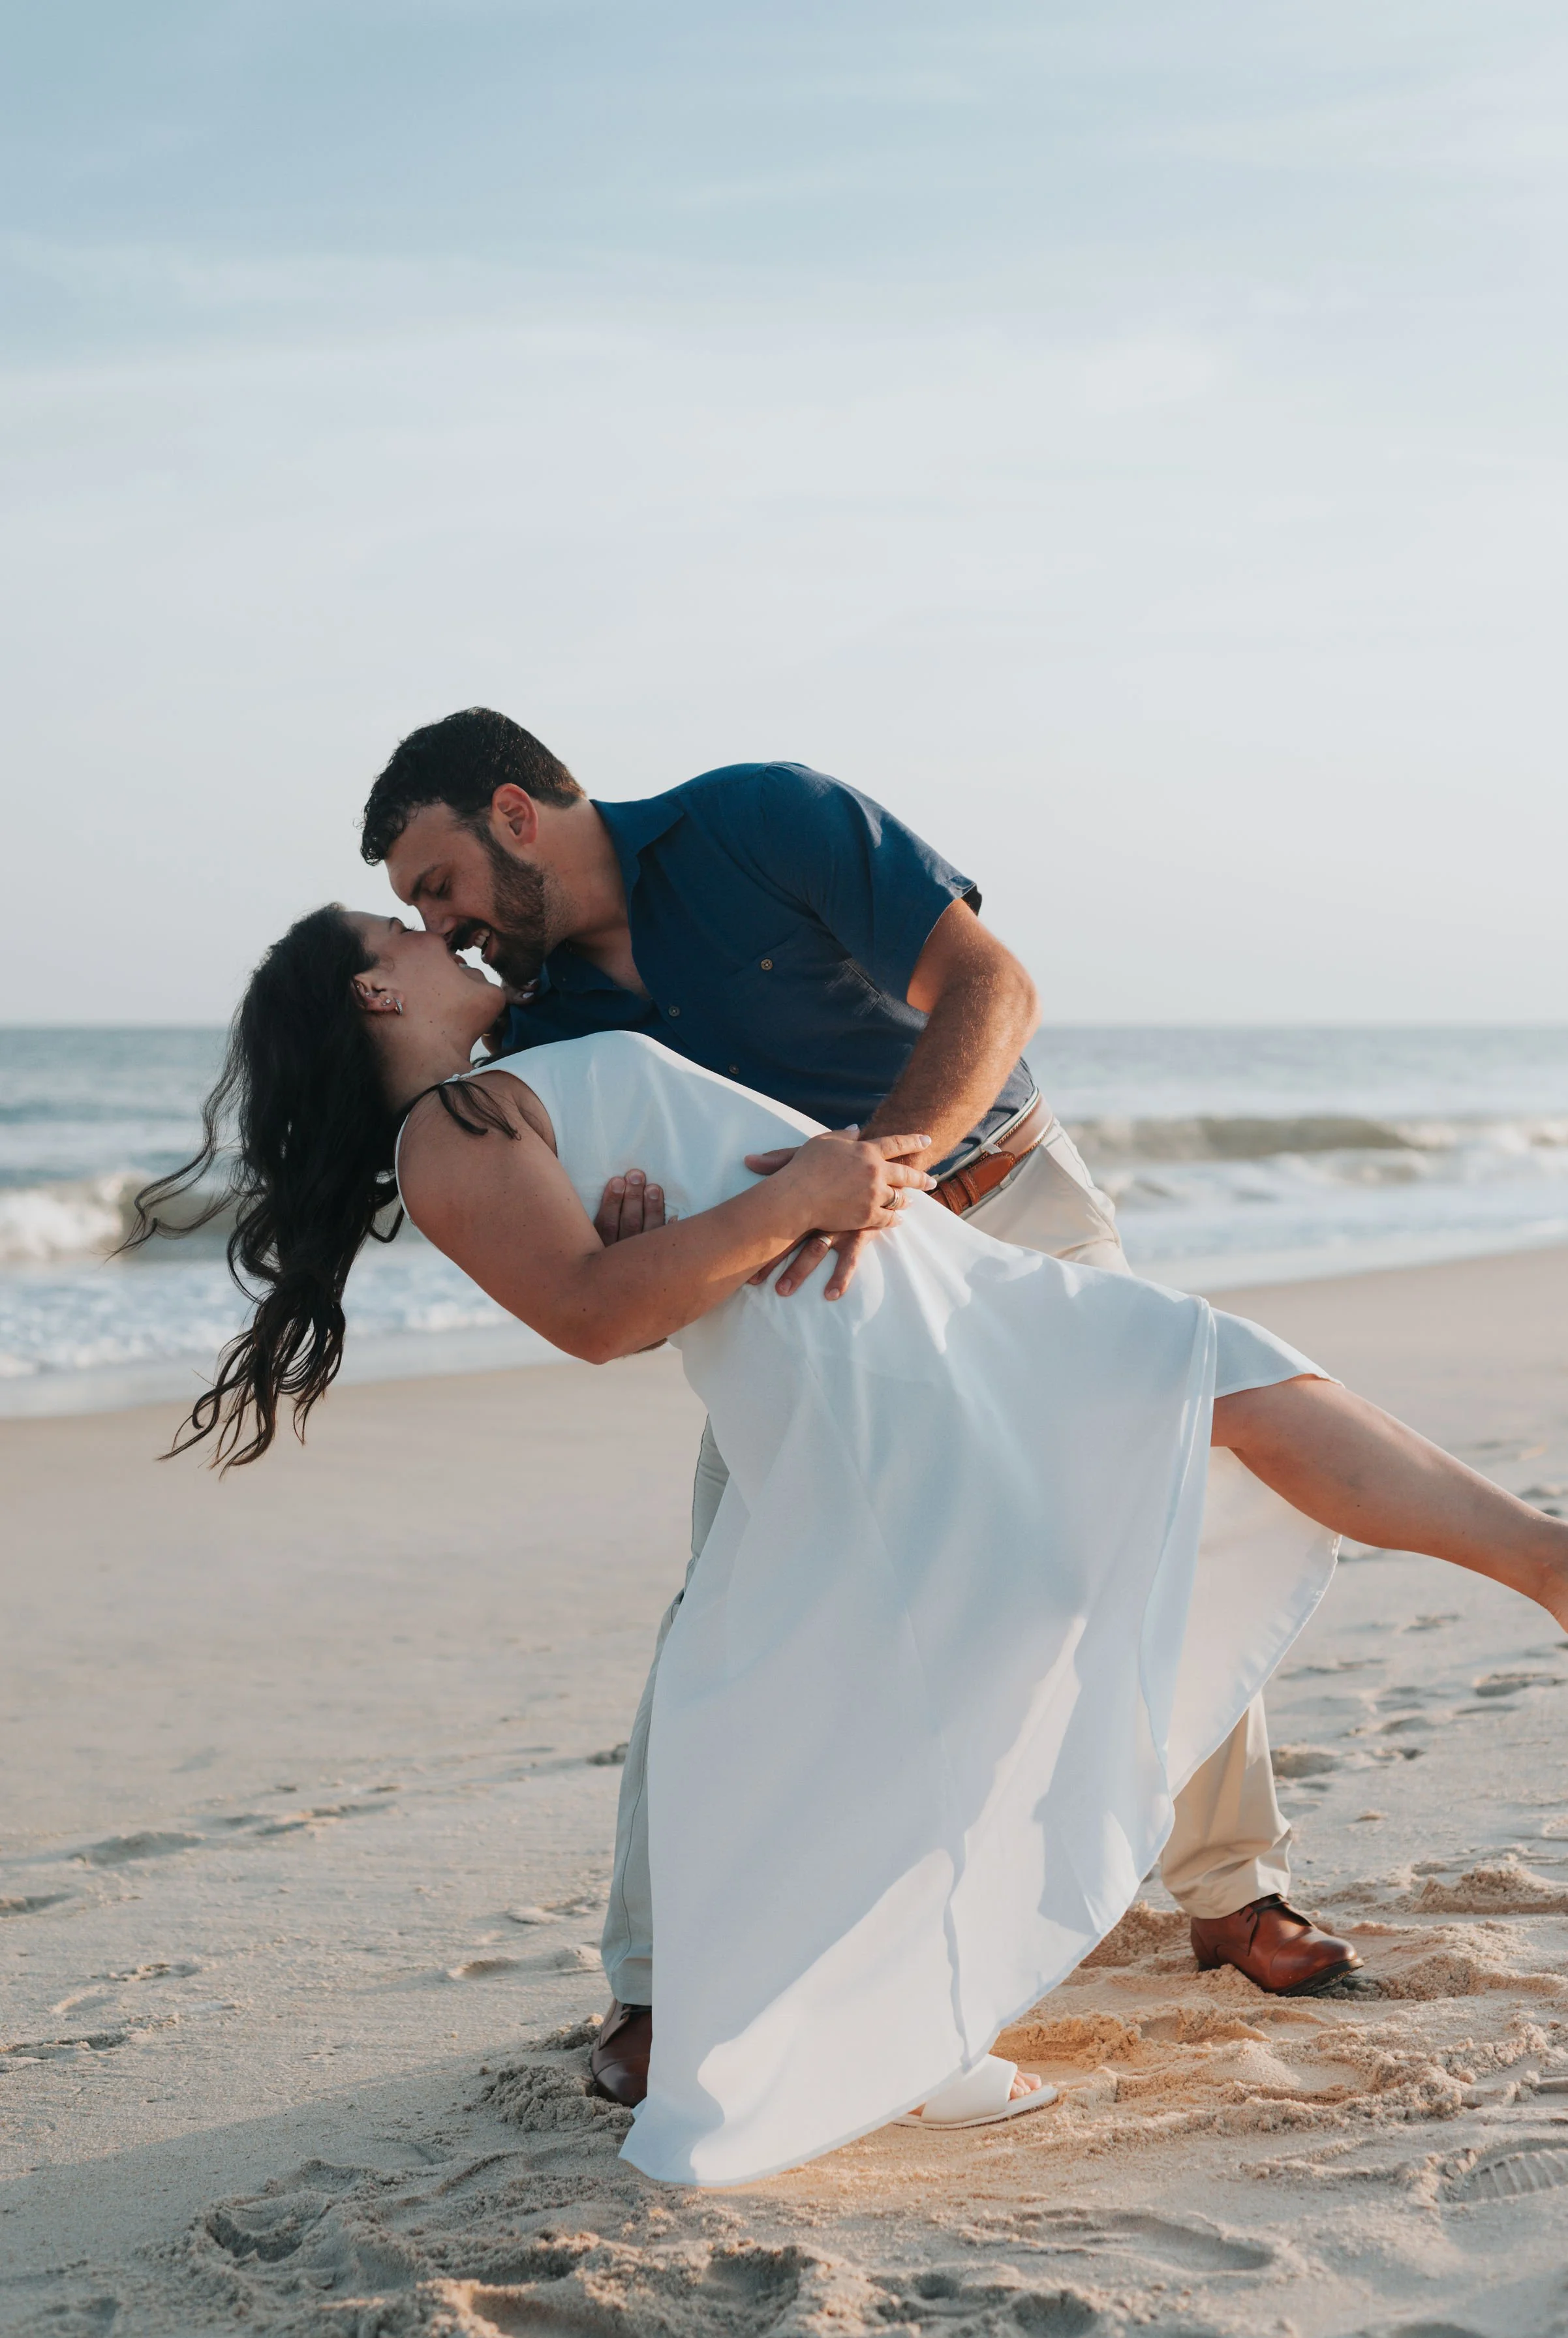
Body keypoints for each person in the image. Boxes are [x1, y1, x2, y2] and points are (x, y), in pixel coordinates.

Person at [133, 904, 1568, 2186]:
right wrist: (788, 1203)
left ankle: (1536, 1563)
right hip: (860, 1341)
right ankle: (911, 2021)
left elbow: (630, 1268)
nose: (439, 934)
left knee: (1211, 1393)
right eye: (405, 936)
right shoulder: (445, 1132)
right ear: (375, 996)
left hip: (918, 1289)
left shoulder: (494, 1096)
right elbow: (590, 1316)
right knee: (1145, 1453)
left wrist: (695, 1222)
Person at [355, 711, 1359, 2117]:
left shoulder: (762, 819)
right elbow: (612, 1271)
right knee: (726, 1601)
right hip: (808, 1305)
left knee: (1143, 1518)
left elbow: (990, 987)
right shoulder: (537, 1027)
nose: (444, 927)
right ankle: (655, 1981)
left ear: (514, 813)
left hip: (1008, 1212)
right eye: (416, 916)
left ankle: (1233, 1895)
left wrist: (885, 1164)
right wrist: (643, 1221)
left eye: (438, 884)